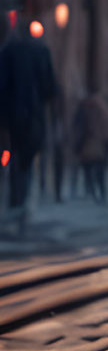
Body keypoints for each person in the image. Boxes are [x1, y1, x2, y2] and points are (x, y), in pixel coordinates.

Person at [0, 14, 60, 230]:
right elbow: (50, 88)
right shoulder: (41, 52)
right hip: (35, 118)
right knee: (28, 161)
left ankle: (16, 204)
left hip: (14, 118)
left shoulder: (8, 52)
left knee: (15, 160)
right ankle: (24, 206)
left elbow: (3, 87)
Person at [71, 90, 108, 203]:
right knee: (99, 173)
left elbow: (78, 128)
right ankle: (101, 195)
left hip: (88, 146)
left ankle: (93, 195)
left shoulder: (84, 109)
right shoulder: (102, 108)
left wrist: (77, 145)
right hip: (99, 147)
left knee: (89, 172)